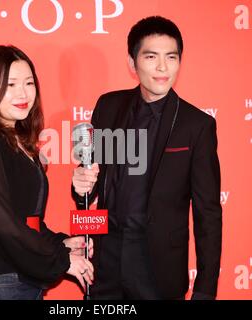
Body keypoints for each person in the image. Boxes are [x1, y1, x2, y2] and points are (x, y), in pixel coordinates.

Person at [72, 16, 222, 300]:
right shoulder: (109, 107)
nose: (163, 67)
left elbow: (208, 216)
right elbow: (92, 182)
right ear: (132, 63)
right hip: (106, 264)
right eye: (151, 56)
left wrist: (204, 292)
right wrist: (80, 185)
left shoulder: (196, 125)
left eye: (171, 57)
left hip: (158, 271)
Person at [0, 45, 93, 300]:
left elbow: (27, 221)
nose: (23, 93)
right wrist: (62, 260)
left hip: (15, 278)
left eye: (29, 83)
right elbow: (5, 227)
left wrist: (60, 243)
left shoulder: (18, 142)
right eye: (10, 85)